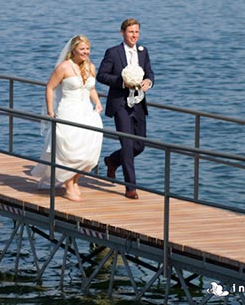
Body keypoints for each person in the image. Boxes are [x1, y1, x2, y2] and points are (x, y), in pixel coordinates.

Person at [31, 35, 104, 201]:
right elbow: (50, 87)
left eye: (87, 49)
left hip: (86, 113)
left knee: (88, 153)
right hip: (69, 112)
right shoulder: (64, 67)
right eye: (82, 49)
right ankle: (69, 185)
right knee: (70, 151)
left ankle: (75, 180)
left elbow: (90, 88)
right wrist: (50, 110)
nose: (85, 52)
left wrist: (97, 102)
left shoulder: (90, 67)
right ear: (73, 50)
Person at [97, 18, 154, 199]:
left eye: (136, 32)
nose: (134, 36)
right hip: (120, 104)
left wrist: (148, 81)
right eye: (130, 32)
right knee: (128, 145)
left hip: (139, 103)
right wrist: (121, 82)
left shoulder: (143, 52)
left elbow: (150, 72)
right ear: (123, 33)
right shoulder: (113, 52)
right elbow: (101, 75)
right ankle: (130, 187)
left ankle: (112, 161)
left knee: (139, 145)